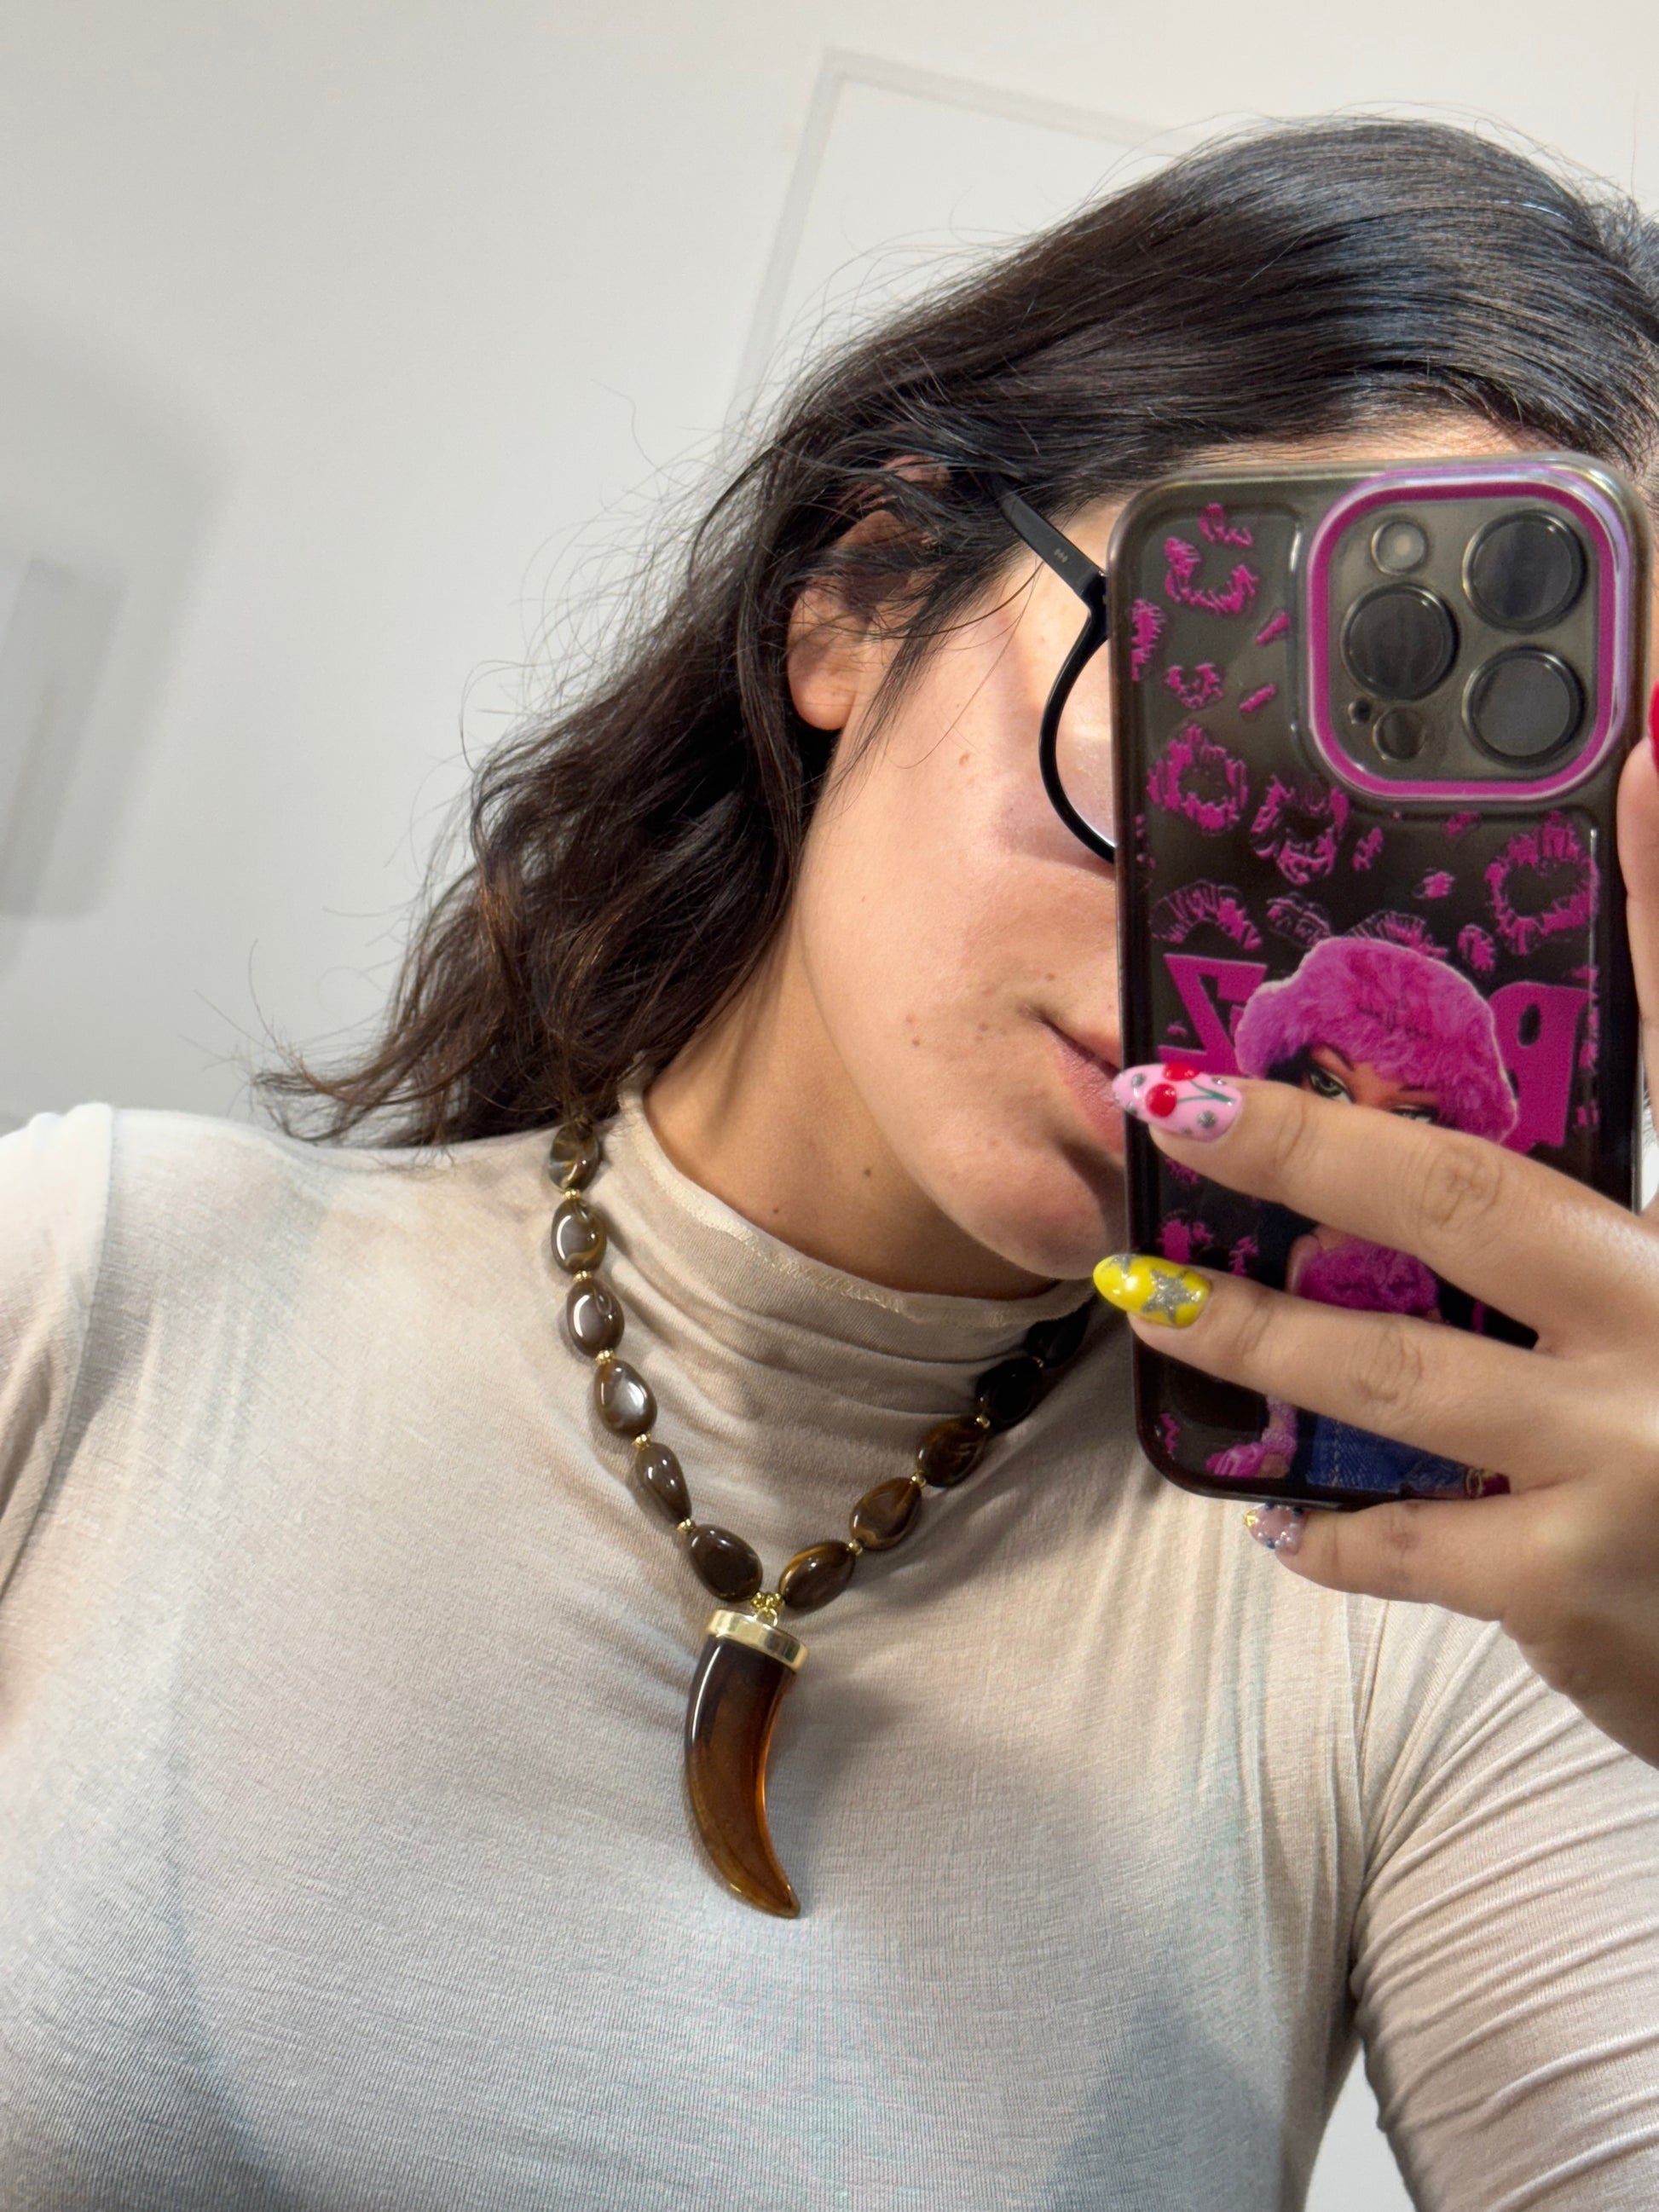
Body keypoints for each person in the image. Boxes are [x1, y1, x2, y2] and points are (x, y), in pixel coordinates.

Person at [3, 118, 1659, 2210]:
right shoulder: (93, 1288)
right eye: (1197, 719)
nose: (1238, 947)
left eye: (1443, 859)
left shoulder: (1430, 1610)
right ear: (861, 593)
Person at [1200, 936, 1517, 1495]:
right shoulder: (1311, 1248)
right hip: (1346, 1426)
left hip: (1436, 1424)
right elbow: (1280, 1353)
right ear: (1290, 1074)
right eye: (1330, 1087)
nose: (1359, 1137)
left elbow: (1437, 1320)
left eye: (1410, 1115)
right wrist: (1279, 1437)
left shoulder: (1425, 1245)